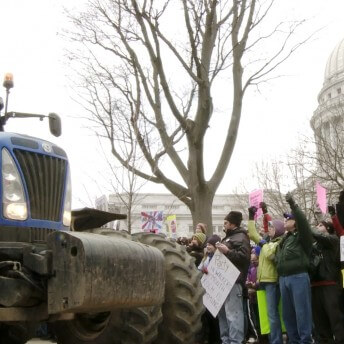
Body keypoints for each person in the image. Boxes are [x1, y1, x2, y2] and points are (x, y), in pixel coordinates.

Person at [275, 193, 313, 344]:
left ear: (295, 222)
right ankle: (294, 341)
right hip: (284, 279)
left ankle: (306, 341)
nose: (285, 220)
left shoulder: (302, 236)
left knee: (302, 313)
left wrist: (293, 204)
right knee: (288, 315)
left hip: (298, 277)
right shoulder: (286, 239)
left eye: (289, 218)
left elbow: (303, 221)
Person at [247, 205, 285, 344]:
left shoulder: (279, 242)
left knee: (273, 314)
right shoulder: (267, 242)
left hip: (272, 282)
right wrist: (251, 216)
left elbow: (269, 254)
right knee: (268, 314)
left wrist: (263, 243)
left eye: (272, 228)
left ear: (279, 230)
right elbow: (252, 233)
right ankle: (272, 339)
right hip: (263, 282)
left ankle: (276, 341)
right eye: (269, 227)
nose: (269, 230)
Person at [216, 210, 251, 344]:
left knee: (233, 314)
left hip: (233, 281)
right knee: (223, 315)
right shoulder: (228, 237)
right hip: (222, 282)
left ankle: (235, 341)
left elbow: (244, 258)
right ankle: (226, 341)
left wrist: (227, 251)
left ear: (232, 224)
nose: (223, 225)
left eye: (225, 223)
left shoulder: (241, 237)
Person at [310, 220, 344, 344]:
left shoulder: (333, 240)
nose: (317, 227)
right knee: (320, 323)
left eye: (320, 225)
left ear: (328, 228)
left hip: (330, 285)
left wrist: (303, 224)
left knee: (336, 320)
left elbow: (317, 235)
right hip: (314, 286)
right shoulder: (314, 245)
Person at [198, 234, 222, 344]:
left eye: (210, 245)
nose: (208, 247)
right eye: (207, 244)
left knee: (216, 320)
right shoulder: (207, 257)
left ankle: (217, 339)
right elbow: (200, 269)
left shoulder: (219, 258)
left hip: (216, 294)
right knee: (208, 319)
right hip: (207, 292)